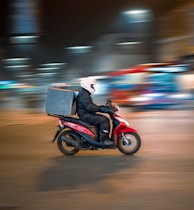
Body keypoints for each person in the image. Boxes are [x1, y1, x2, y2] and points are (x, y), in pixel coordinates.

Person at [76, 77, 114, 145]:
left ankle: (98, 137)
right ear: (87, 84)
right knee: (104, 120)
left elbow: (91, 105)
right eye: (92, 85)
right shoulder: (84, 94)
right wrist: (102, 109)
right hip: (85, 115)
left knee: (101, 119)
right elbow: (89, 107)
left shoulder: (85, 93)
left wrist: (103, 107)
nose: (93, 87)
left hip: (86, 113)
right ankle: (103, 140)